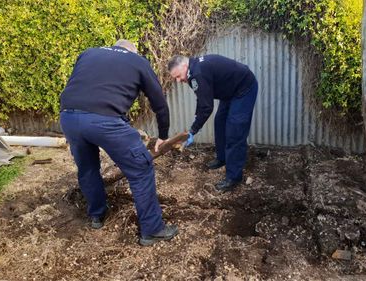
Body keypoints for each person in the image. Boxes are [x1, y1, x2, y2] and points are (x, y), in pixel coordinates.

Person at [60, 39, 178, 246]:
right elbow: (159, 103)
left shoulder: (88, 52)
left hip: (69, 118)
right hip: (104, 121)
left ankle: (97, 215)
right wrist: (163, 135)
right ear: (131, 50)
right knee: (141, 168)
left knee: (87, 169)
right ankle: (152, 229)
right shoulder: (137, 61)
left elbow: (82, 86)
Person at [168, 54, 258, 192]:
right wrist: (196, 116)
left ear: (184, 66)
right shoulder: (192, 72)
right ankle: (222, 158)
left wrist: (193, 130)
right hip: (230, 92)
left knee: (235, 132)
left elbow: (207, 107)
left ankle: (234, 177)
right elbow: (202, 97)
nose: (179, 80)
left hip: (243, 88)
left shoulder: (198, 72)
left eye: (178, 76)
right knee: (220, 123)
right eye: (176, 78)